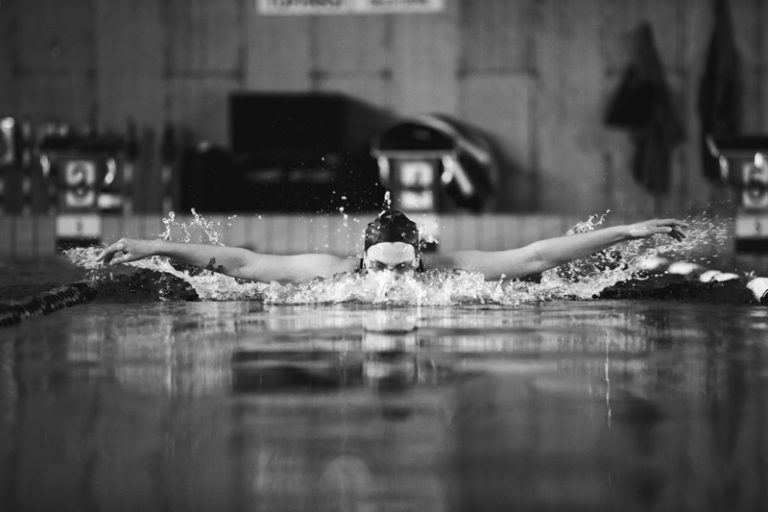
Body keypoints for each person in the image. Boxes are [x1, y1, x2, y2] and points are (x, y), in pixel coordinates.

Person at [96, 209, 687, 283]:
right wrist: (152, 245)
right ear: (361, 259)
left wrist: (627, 232)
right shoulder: (330, 273)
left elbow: (536, 256)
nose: (389, 284)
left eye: (402, 271)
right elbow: (238, 260)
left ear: (422, 258)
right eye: (381, 269)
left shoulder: (448, 271)